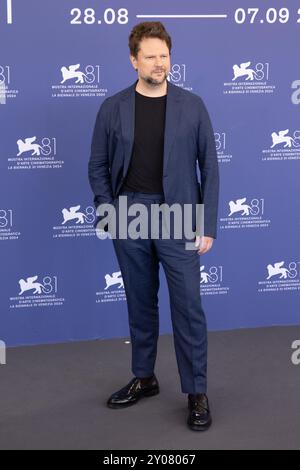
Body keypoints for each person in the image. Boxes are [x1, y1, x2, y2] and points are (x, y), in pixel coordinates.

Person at [88, 21, 219, 431]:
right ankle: (144, 378)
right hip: (129, 215)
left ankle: (197, 391)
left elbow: (209, 168)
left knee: (188, 307)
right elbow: (98, 166)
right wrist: (108, 210)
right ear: (134, 60)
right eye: (150, 56)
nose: (159, 63)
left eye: (164, 55)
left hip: (179, 215)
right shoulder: (113, 107)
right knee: (140, 303)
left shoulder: (192, 105)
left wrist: (207, 224)